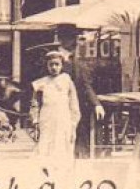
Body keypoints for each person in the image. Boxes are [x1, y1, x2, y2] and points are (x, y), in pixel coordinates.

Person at [56, 25, 107, 158]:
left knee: (79, 136)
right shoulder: (52, 60)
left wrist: (96, 104)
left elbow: (85, 84)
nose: (76, 42)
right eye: (72, 38)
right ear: (62, 40)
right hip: (57, 106)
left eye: (75, 38)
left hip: (76, 105)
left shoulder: (77, 60)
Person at [32, 49, 82, 160]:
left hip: (64, 121)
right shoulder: (41, 83)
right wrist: (35, 121)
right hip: (46, 120)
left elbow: (74, 104)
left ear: (61, 66)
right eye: (51, 65)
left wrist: (73, 125)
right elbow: (35, 104)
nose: (54, 67)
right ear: (47, 66)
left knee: (63, 149)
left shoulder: (67, 80)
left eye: (57, 64)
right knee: (45, 150)